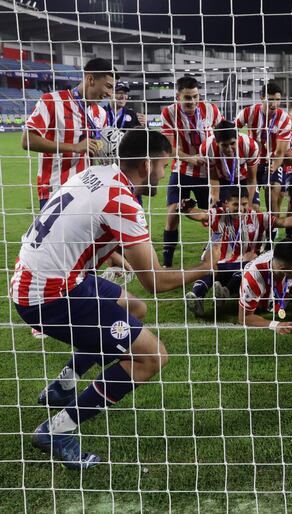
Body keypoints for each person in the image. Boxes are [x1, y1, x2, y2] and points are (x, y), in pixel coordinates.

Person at [19, 129, 221, 469]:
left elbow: (81, 226)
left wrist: (112, 254)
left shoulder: (97, 175)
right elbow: (155, 280)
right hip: (49, 295)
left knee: (133, 305)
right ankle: (58, 429)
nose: (165, 173)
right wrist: (207, 267)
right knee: (152, 357)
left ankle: (63, 385)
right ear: (147, 164)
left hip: (43, 276)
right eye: (164, 165)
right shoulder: (123, 200)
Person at [180, 191, 292, 316]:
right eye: (236, 205)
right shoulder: (218, 214)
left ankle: (224, 293)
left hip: (244, 265)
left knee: (244, 269)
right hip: (220, 263)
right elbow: (200, 215)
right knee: (209, 270)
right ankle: (197, 298)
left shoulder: (258, 217)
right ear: (226, 204)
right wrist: (186, 208)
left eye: (243, 204)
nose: (240, 209)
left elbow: (283, 222)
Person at [23, 57, 114, 208]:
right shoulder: (52, 101)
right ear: (90, 79)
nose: (110, 94)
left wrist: (107, 153)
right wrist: (74, 147)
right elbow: (27, 141)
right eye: (108, 86)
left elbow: (96, 150)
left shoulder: (101, 113)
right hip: (56, 189)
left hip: (89, 189)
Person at [160, 76, 223, 268]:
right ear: (178, 96)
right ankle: (167, 264)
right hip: (182, 170)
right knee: (172, 213)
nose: (192, 102)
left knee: (215, 216)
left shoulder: (211, 109)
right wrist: (191, 158)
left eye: (195, 97)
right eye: (188, 98)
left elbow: (221, 134)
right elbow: (169, 149)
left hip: (208, 173)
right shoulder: (168, 113)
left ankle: (217, 254)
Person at [236, 82, 292, 216]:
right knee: (253, 207)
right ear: (262, 98)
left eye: (277, 100)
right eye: (270, 99)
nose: (274, 104)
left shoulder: (284, 119)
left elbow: (280, 152)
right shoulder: (248, 112)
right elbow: (233, 131)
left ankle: (272, 231)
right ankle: (256, 229)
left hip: (272, 161)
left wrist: (274, 166)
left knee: (273, 192)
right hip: (251, 162)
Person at [200, 120, 259, 208]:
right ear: (216, 142)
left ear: (238, 138)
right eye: (224, 145)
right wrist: (215, 199)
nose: (229, 149)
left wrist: (248, 207)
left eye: (232, 143)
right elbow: (213, 177)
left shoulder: (250, 146)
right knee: (217, 212)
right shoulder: (207, 148)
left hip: (244, 179)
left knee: (254, 209)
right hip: (222, 181)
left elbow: (252, 179)